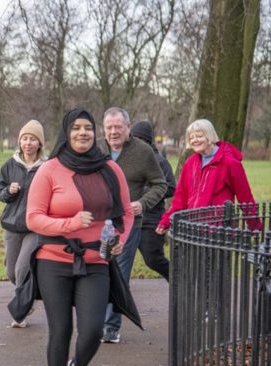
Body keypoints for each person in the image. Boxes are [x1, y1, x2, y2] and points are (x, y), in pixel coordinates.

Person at [26, 108, 134, 366]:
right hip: (54, 261)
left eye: (88, 128)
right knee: (60, 330)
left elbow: (125, 212)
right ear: (66, 132)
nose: (82, 133)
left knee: (92, 329)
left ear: (95, 133)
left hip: (96, 259)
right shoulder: (50, 170)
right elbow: (33, 218)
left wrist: (119, 243)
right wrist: (70, 223)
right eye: (76, 128)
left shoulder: (110, 169)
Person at [100, 108, 166, 344]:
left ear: (128, 127)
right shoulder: (96, 150)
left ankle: (110, 326)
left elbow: (161, 184)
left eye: (118, 127)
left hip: (128, 223)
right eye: (109, 127)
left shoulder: (143, 152)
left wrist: (143, 203)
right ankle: (95, 322)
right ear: (104, 129)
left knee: (118, 273)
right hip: (97, 222)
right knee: (97, 272)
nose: (114, 131)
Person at [156, 119, 255, 235]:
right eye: (191, 137)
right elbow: (180, 199)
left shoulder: (229, 163)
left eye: (199, 136)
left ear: (209, 136)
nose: (194, 140)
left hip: (218, 231)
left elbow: (245, 197)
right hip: (192, 228)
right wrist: (166, 221)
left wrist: (255, 227)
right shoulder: (190, 163)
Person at [0, 119, 46, 328]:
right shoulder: (10, 164)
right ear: (20, 142)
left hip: (34, 227)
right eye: (25, 139)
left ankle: (21, 311)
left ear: (39, 144)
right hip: (12, 225)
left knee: (21, 269)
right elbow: (0, 192)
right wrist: (9, 191)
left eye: (33, 139)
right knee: (10, 271)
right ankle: (29, 295)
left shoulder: (46, 167)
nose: (28, 143)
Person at [130, 121, 176, 281]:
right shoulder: (127, 159)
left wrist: (145, 194)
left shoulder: (159, 160)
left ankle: (179, 281)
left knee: (153, 260)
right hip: (127, 220)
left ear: (145, 140)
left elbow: (171, 186)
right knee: (119, 263)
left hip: (150, 220)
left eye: (137, 138)